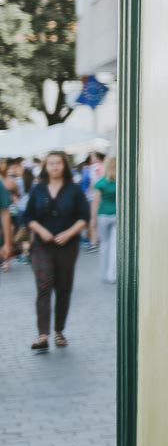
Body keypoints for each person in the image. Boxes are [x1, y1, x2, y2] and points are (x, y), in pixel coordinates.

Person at [23, 150, 90, 351]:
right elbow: (27, 217)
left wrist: (69, 233)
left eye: (58, 163)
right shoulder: (38, 189)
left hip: (67, 246)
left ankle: (59, 331)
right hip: (42, 246)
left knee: (63, 288)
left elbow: (84, 218)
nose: (54, 167)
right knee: (44, 286)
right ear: (45, 166)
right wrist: (41, 230)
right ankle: (43, 334)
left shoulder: (74, 189)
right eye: (51, 163)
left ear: (64, 166)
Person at [91, 155, 118, 284]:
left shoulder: (101, 183)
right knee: (114, 246)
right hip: (116, 215)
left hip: (103, 215)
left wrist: (93, 219)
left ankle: (103, 273)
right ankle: (112, 275)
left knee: (104, 245)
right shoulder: (120, 182)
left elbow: (95, 202)